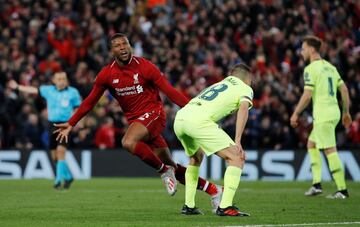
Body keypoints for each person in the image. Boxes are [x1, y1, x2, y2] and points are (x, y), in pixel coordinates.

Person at [54, 33, 223, 209]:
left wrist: (195, 109)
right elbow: (90, 101)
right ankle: (214, 190)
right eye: (118, 45)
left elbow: (170, 91)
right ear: (112, 50)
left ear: (130, 45)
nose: (123, 47)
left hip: (154, 114)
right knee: (172, 165)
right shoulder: (107, 74)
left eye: (125, 44)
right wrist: (72, 122)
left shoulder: (145, 66)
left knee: (128, 141)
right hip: (138, 122)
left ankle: (164, 172)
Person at [174, 63, 253, 216]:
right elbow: (244, 109)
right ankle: (225, 206)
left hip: (181, 118)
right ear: (248, 78)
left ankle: (189, 206)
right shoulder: (245, 88)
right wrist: (238, 140)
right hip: (198, 121)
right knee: (237, 157)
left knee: (196, 157)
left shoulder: (221, 83)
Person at [290, 36, 352, 199]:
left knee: (330, 149)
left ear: (311, 49)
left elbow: (307, 94)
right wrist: (346, 112)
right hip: (334, 112)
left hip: (323, 114)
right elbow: (344, 90)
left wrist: (296, 113)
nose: (301, 52)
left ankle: (342, 189)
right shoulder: (330, 67)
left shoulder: (311, 69)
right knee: (311, 144)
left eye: (303, 49)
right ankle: (316, 184)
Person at [8, 72, 81, 190]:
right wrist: (17, 87)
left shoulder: (73, 92)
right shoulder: (49, 90)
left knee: (60, 151)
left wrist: (75, 121)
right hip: (52, 125)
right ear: (54, 80)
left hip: (65, 125)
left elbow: (78, 108)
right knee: (54, 156)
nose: (62, 81)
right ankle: (68, 176)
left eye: (64, 79)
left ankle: (58, 180)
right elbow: (32, 90)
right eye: (59, 79)